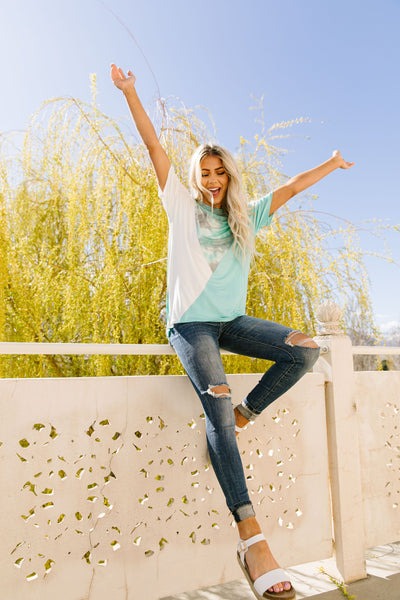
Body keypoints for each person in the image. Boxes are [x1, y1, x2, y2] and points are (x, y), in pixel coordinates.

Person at [111, 64, 354, 600]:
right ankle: (252, 538)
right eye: (206, 172)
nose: (213, 180)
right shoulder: (179, 203)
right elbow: (154, 148)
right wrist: (130, 93)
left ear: (229, 177)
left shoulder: (245, 217)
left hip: (230, 324)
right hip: (190, 324)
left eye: (221, 172)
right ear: (197, 177)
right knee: (215, 402)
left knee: (305, 350)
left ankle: (243, 415)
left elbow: (290, 188)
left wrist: (333, 165)